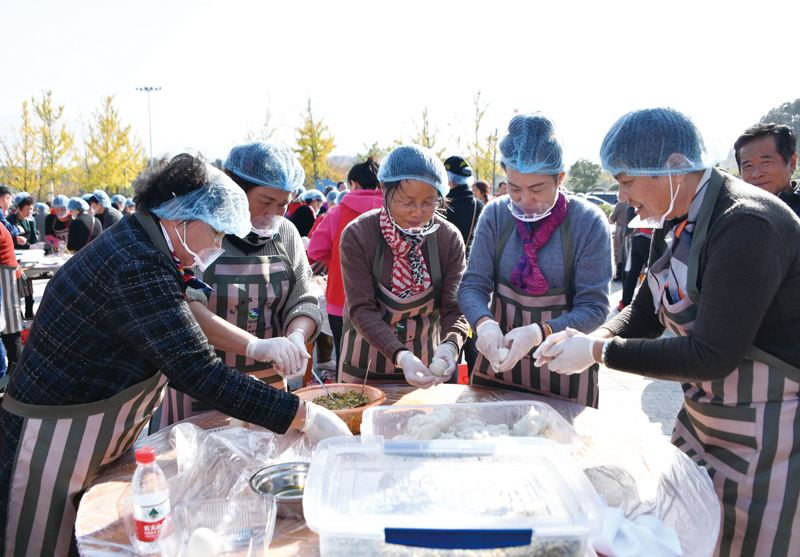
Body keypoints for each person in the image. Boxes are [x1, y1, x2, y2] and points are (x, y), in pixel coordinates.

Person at [0, 154, 350, 556]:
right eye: (217, 232)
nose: (219, 245)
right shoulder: (137, 263)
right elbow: (198, 371)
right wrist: (304, 415)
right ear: (182, 219)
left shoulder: (144, 243)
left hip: (86, 433)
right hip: (50, 440)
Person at [534, 107, 800, 555]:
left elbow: (712, 354)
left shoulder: (745, 224)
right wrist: (581, 338)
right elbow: (643, 314)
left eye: (626, 180)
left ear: (673, 167)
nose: (622, 196)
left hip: (769, 430)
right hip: (704, 420)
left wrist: (599, 352)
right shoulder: (677, 217)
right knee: (693, 534)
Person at [151, 142, 325, 431]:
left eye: (283, 204)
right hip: (201, 386)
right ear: (235, 188)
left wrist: (296, 336)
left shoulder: (287, 233)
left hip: (268, 393)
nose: (274, 212)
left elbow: (304, 299)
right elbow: (187, 309)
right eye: (265, 201)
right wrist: (255, 346)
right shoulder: (199, 228)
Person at [458, 113, 612, 407]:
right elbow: (472, 286)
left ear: (560, 178)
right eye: (515, 188)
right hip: (497, 374)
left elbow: (594, 307)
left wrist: (539, 332)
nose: (525, 200)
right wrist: (485, 323)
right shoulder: (495, 215)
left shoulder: (588, 223)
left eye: (537, 189)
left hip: (566, 376)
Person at [338, 145, 469, 387]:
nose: (418, 213)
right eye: (406, 202)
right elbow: (362, 309)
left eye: (429, 202)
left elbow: (455, 308)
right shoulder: (358, 235)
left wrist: (450, 345)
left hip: (427, 370)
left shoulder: (447, 239)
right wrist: (402, 356)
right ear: (384, 189)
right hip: (364, 370)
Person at [308, 157, 383, 363]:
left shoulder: (336, 212)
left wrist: (335, 259)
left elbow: (315, 250)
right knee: (385, 360)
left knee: (346, 361)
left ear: (353, 184)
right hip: (387, 300)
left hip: (341, 297)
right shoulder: (394, 212)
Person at [734, 122, 799, 216]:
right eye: (748, 166)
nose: (756, 174)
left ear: (792, 162)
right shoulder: (734, 216)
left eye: (765, 162)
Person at [443, 155, 483, 260]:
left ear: (447, 177)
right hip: (471, 265)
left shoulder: (441, 205)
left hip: (445, 267)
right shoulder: (478, 205)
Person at [7, 197, 39, 319]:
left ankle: (29, 313)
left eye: (31, 209)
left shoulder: (31, 220)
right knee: (15, 288)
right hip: (14, 257)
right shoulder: (10, 220)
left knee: (28, 286)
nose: (29, 212)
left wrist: (35, 245)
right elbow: (8, 240)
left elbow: (34, 239)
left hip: (27, 258)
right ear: (19, 208)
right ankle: (17, 315)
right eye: (27, 209)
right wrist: (20, 242)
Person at [607, 197, 629, 282]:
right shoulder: (637, 203)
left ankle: (618, 274)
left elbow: (612, 219)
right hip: (634, 230)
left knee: (619, 252)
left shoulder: (620, 204)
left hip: (621, 230)